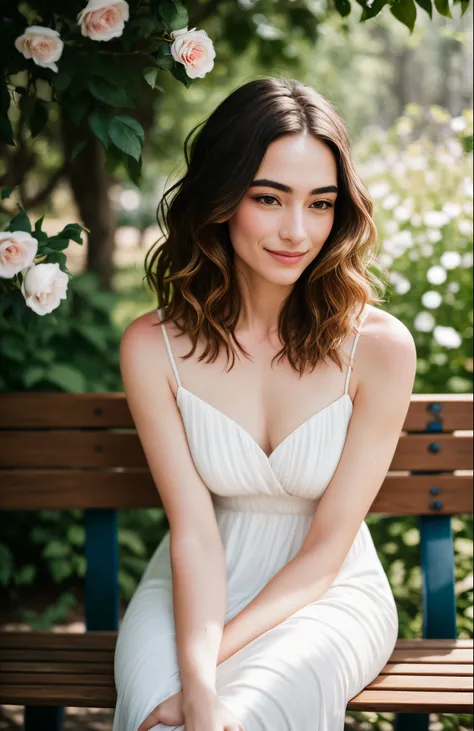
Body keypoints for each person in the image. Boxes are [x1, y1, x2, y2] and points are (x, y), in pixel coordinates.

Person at [113, 77, 417, 731]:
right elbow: (192, 531)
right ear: (222, 200)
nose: (296, 230)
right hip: (190, 589)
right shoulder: (153, 347)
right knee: (159, 717)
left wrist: (206, 683)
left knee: (243, 716)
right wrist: (194, 679)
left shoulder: (379, 350)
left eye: (320, 202)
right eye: (269, 197)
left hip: (328, 593)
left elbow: (326, 551)